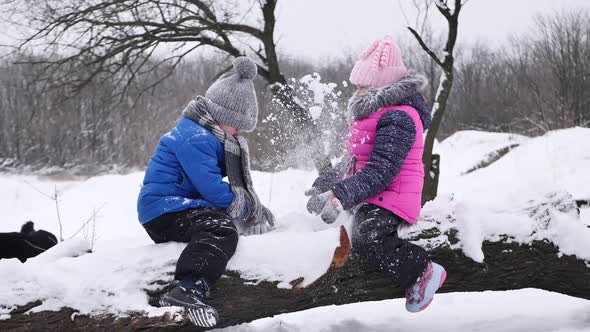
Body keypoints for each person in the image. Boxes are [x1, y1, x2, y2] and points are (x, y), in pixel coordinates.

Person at [306, 35, 447, 313]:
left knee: (367, 236)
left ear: (384, 86)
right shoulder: (369, 114)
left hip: (393, 197)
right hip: (373, 194)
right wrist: (325, 186)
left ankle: (423, 270)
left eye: (364, 86)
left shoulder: (399, 117)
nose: (357, 91)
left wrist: (342, 195)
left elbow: (381, 170)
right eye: (356, 85)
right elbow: (352, 160)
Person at [137, 56, 275, 327]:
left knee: (218, 222)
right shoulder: (196, 138)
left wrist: (252, 207)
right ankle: (188, 287)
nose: (237, 134)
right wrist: (247, 207)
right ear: (220, 116)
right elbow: (212, 190)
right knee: (220, 229)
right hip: (164, 209)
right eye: (236, 126)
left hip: (175, 208)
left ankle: (190, 285)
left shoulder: (205, 135)